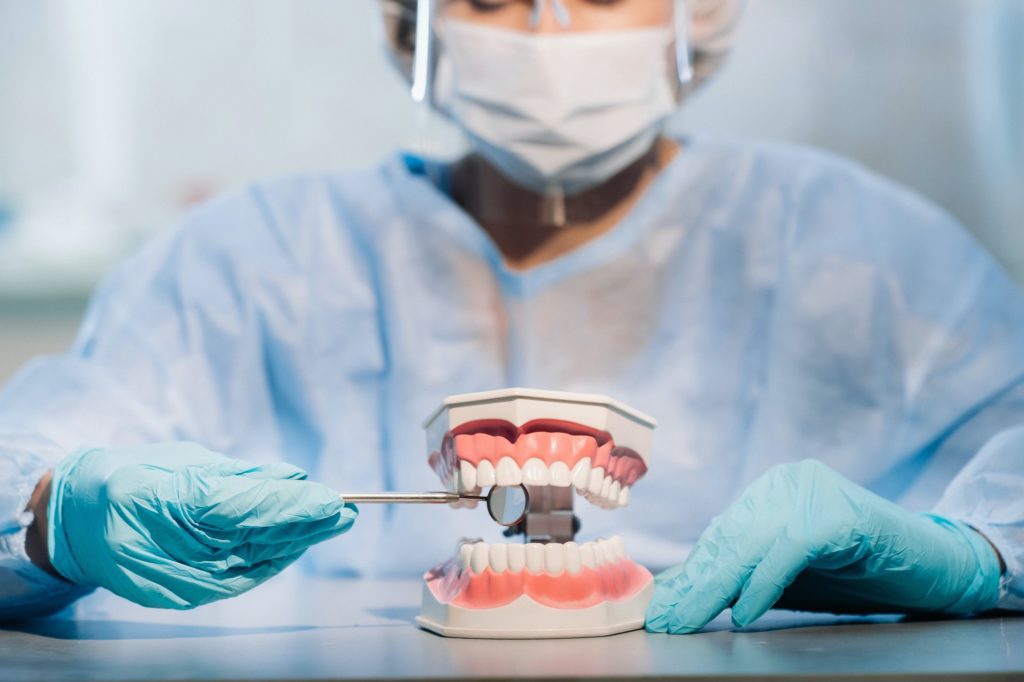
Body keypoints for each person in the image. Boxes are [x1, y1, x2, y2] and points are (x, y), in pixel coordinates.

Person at [0, 0, 1021, 633]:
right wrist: (53, 516)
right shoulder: (245, 259)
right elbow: (30, 457)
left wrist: (975, 556)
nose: (549, 32)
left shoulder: (863, 251)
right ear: (416, 26)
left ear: (691, 16)